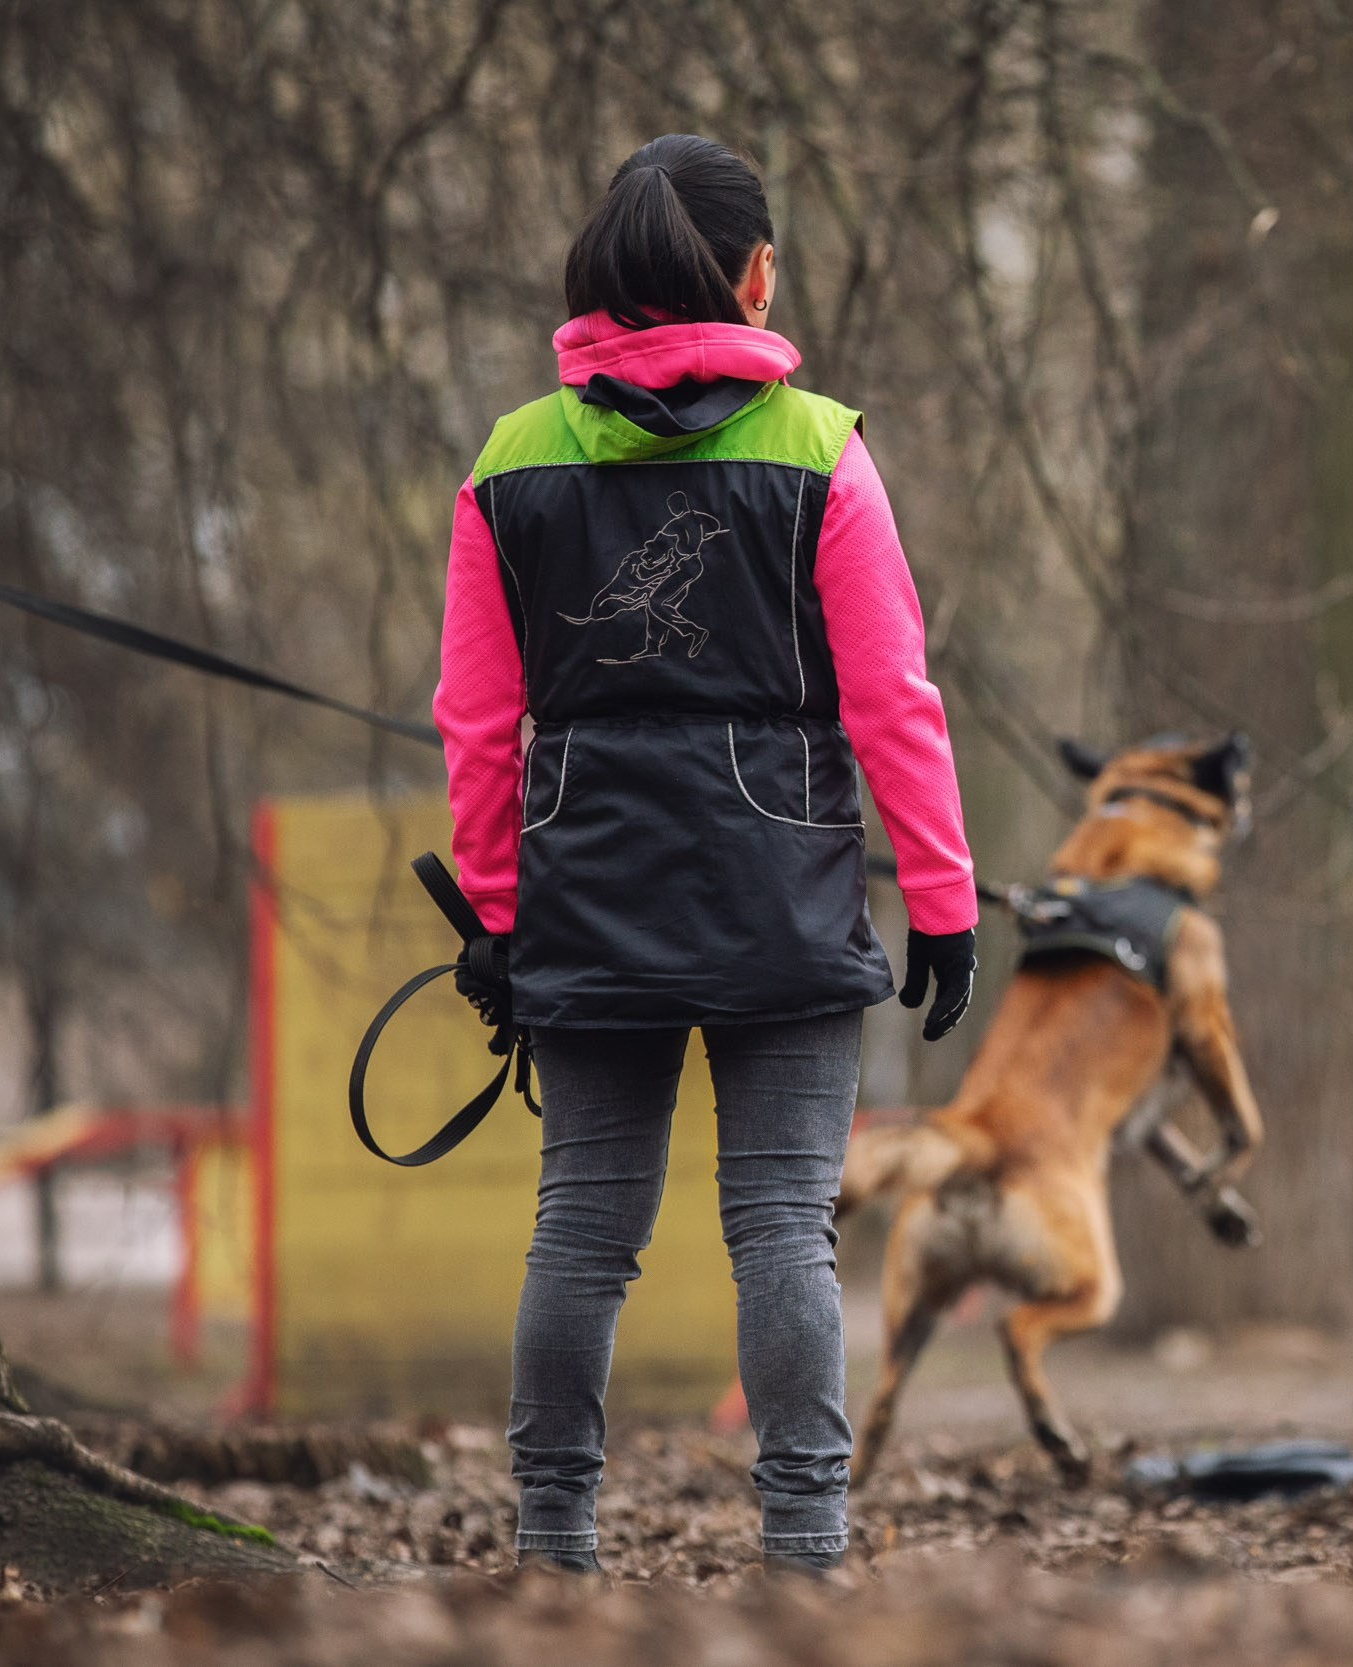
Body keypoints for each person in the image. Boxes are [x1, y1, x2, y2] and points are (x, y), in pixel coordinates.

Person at [433, 134, 980, 1575]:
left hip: (585, 886)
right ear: (756, 275)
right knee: (783, 1228)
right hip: (781, 884)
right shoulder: (819, 448)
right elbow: (892, 699)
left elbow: (477, 723)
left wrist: (497, 913)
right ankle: (805, 1540)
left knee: (584, 1225)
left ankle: (551, 1533)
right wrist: (944, 900)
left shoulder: (511, 461)